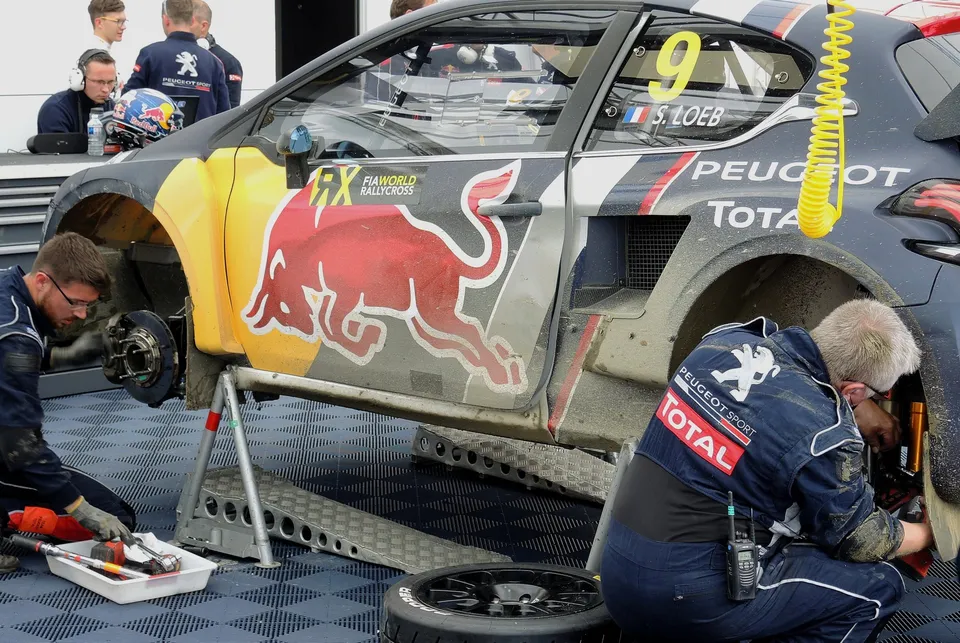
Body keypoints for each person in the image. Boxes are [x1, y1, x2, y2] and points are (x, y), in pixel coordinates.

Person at [600, 299, 931, 643]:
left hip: (620, 580)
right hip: (686, 604)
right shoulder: (826, 436)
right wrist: (929, 533)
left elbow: (767, 400)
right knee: (877, 589)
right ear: (855, 391)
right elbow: (859, 539)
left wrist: (853, 407)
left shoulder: (721, 340)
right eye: (872, 396)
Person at [0, 233, 136, 573]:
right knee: (115, 515)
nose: (81, 314)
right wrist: (79, 508)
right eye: (75, 302)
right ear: (43, 281)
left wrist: (61, 356)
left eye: (88, 305)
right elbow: (20, 445)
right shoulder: (16, 335)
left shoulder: (8, 288)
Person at [124, 0, 230, 122]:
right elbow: (224, 114)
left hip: (160, 138)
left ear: (166, 19)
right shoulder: (214, 63)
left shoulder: (150, 54)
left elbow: (128, 99)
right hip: (201, 139)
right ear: (192, 20)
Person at [38, 50, 117, 135]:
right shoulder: (56, 109)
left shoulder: (112, 107)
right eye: (98, 82)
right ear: (81, 79)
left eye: (110, 82)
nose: (106, 89)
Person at [192, 1, 243, 110]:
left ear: (203, 26)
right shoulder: (167, 55)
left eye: (188, 23)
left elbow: (230, 112)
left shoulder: (228, 62)